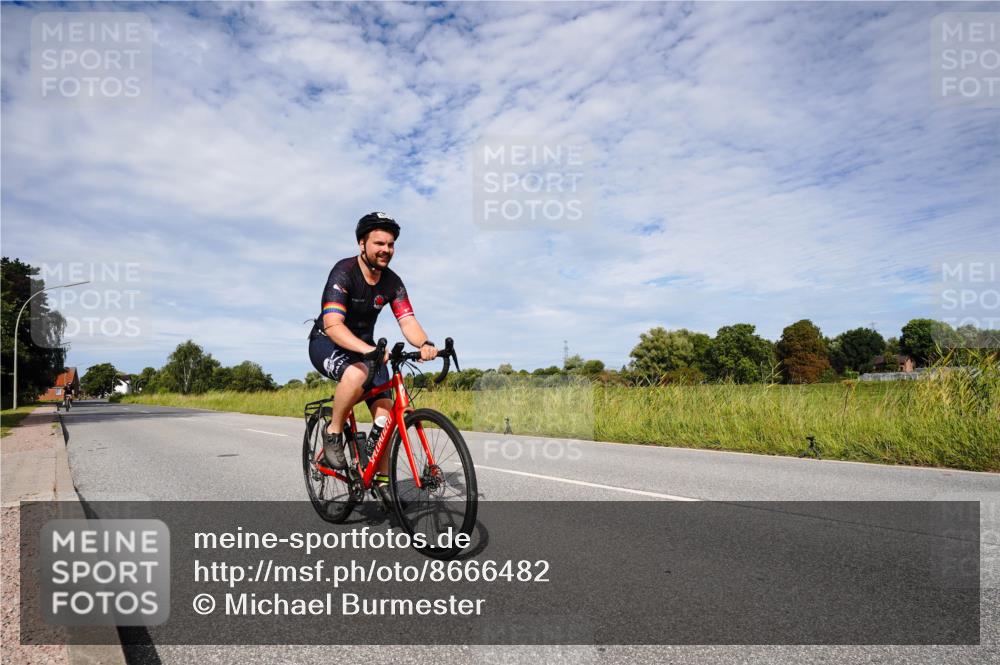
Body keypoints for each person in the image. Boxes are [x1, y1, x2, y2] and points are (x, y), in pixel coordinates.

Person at [308, 212, 437, 503]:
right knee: (356, 374)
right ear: (362, 244)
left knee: (387, 413)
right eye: (379, 243)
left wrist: (426, 343)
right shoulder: (344, 272)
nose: (386, 250)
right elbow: (333, 325)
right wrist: (367, 351)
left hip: (366, 349)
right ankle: (333, 433)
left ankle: (379, 479)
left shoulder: (392, 282)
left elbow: (408, 321)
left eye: (391, 245)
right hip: (328, 342)